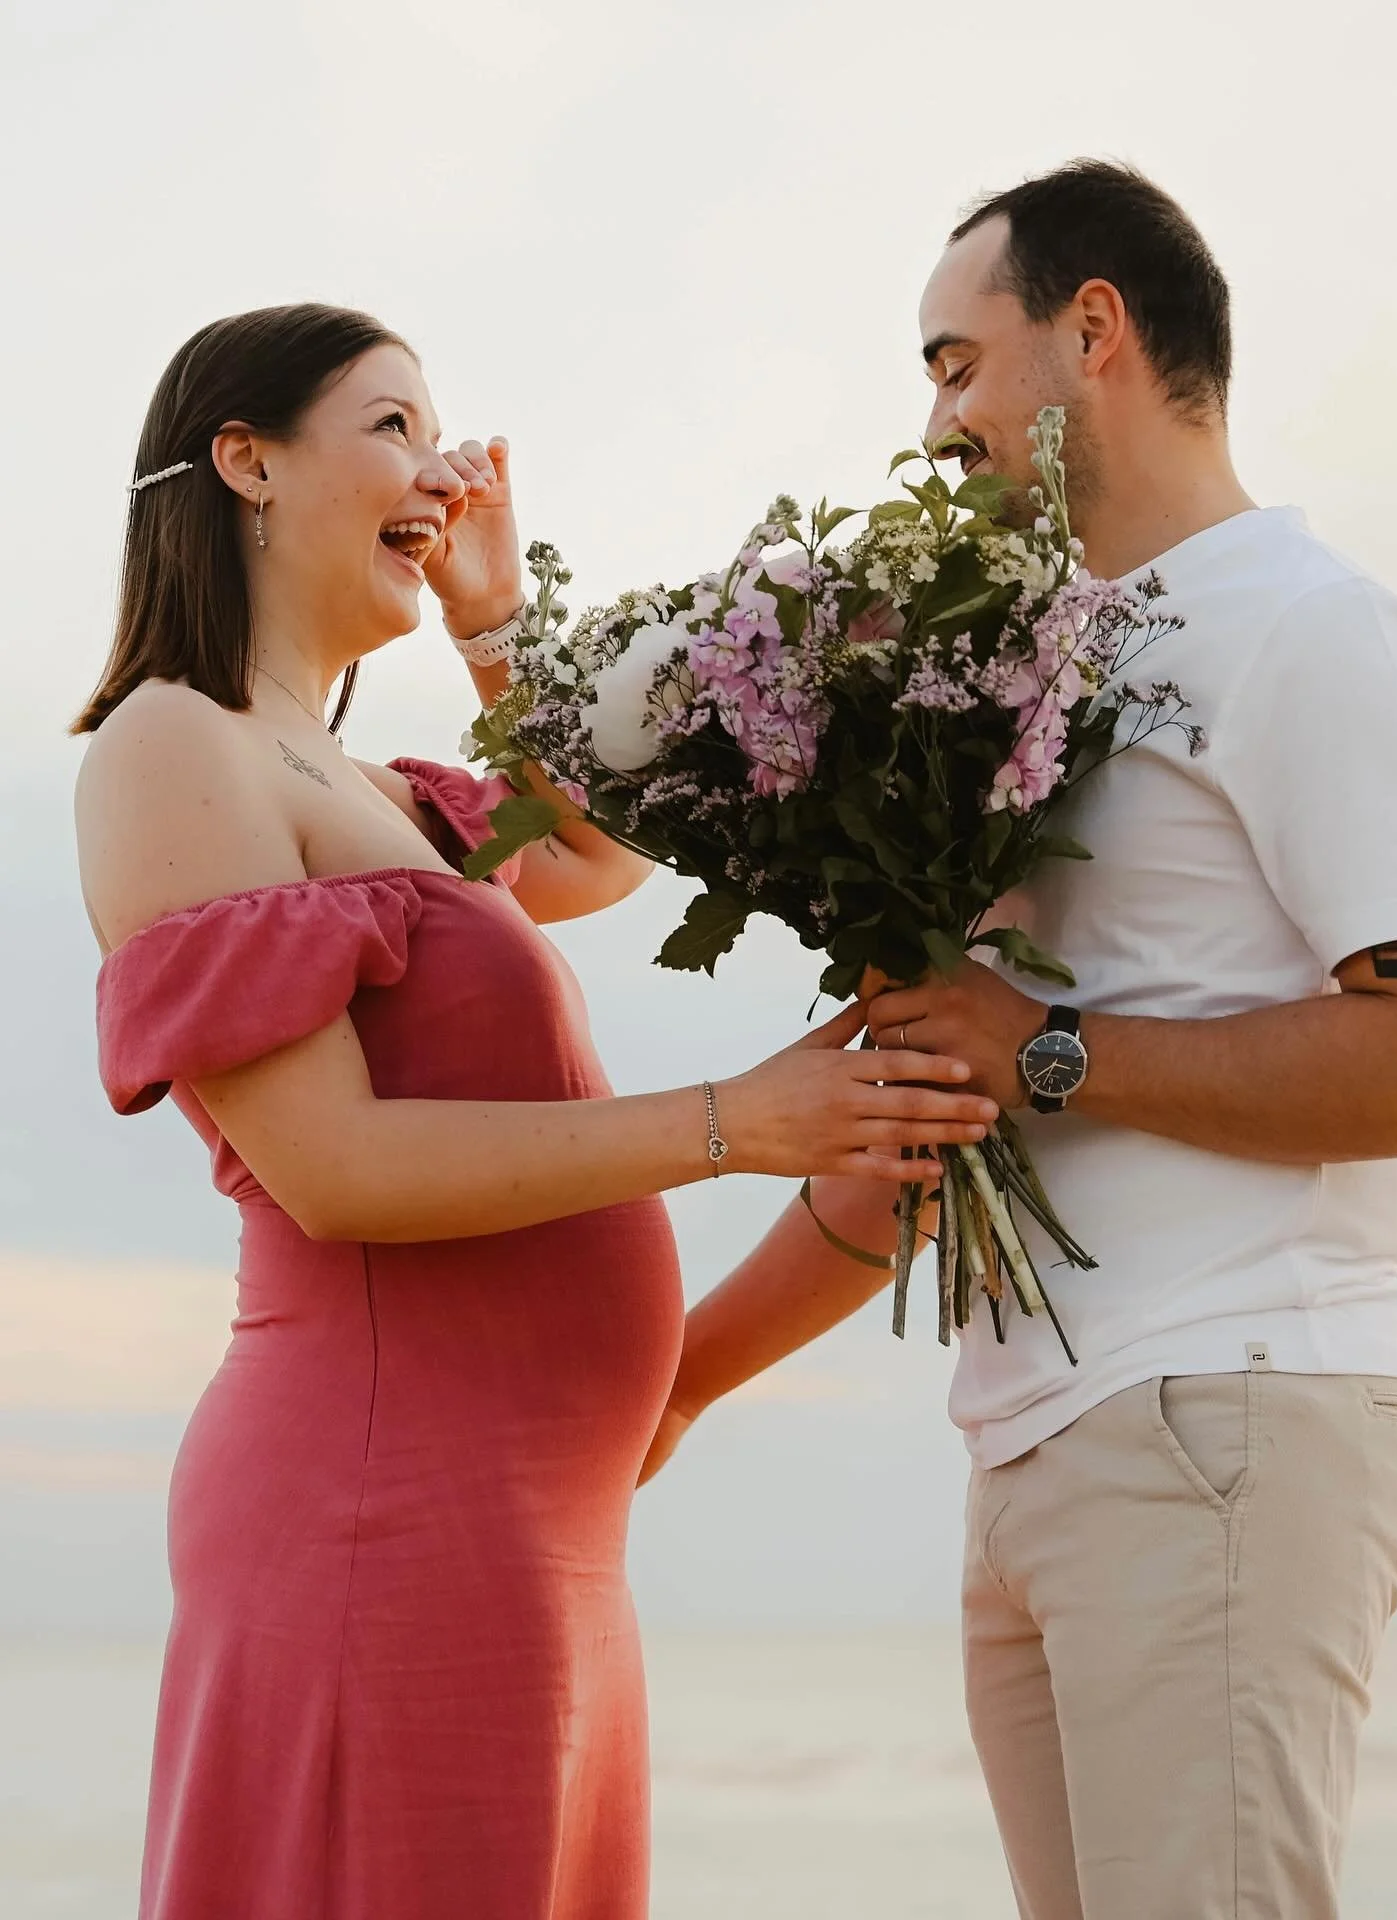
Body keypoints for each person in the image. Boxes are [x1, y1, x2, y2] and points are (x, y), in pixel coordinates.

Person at [72, 303, 997, 1920]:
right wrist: (739, 1122)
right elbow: (335, 1168)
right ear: (247, 462)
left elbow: (596, 847)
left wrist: (493, 618)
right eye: (392, 427)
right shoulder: (174, 744)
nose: (440, 471)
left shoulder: (395, 800)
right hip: (385, 1505)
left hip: (540, 1529)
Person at [642, 163, 1397, 1919]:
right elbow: (947, 1093)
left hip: (1227, 1401)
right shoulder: (1038, 679)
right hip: (1043, 1444)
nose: (935, 425)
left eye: (957, 363)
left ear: (1094, 333)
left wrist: (1052, 1049)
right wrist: (685, 1376)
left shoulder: (1306, 629)